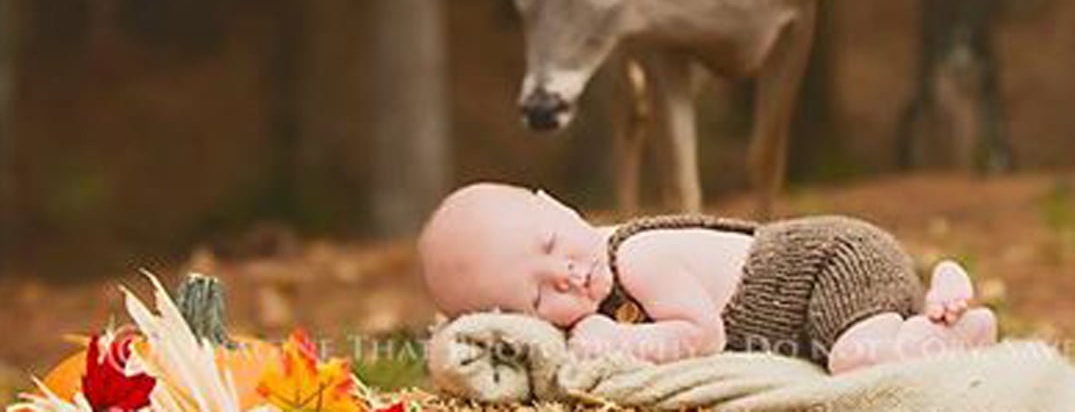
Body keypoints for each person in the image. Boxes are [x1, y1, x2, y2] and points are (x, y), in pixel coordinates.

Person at [417, 183, 997, 374]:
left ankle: (956, 330)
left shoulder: (635, 258)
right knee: (854, 345)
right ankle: (930, 309)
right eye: (539, 295)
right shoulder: (594, 275)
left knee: (854, 359)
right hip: (811, 303)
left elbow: (703, 335)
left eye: (549, 246)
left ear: (561, 206)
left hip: (831, 264)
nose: (566, 276)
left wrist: (624, 342)